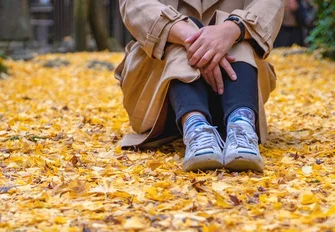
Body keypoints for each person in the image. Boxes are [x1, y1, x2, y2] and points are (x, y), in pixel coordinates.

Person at [115, 1, 285, 173]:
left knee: (238, 38)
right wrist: (191, 36)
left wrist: (234, 29)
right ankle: (195, 126)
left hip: (239, 75)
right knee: (178, 42)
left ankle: (241, 125)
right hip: (160, 99)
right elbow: (134, 5)